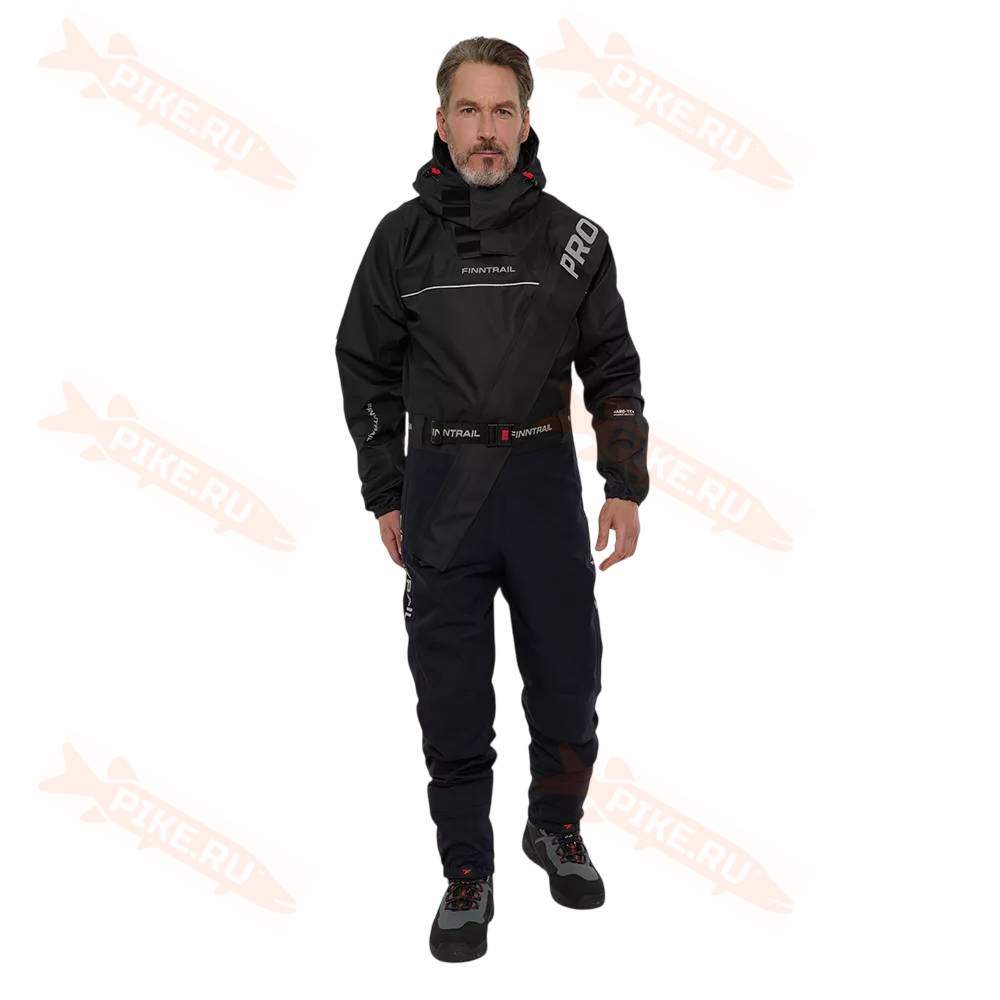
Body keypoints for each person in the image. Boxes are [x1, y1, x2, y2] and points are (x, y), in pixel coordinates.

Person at [335, 35, 650, 962]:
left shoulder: (575, 239)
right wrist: (385, 491)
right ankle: (467, 871)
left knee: (569, 679)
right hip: (442, 492)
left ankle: (556, 826)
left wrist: (624, 483)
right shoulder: (400, 240)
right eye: (468, 111)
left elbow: (612, 366)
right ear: (440, 122)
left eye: (502, 110)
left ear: (526, 120)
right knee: (451, 695)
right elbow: (366, 368)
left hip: (544, 483)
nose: (486, 130)